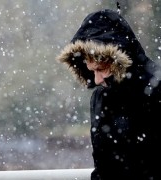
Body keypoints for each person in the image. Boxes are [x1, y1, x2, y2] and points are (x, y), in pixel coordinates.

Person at [57, 9, 161, 180]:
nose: (97, 80)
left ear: (119, 59)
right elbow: (104, 167)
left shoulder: (155, 90)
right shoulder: (101, 99)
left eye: (101, 69)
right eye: (91, 71)